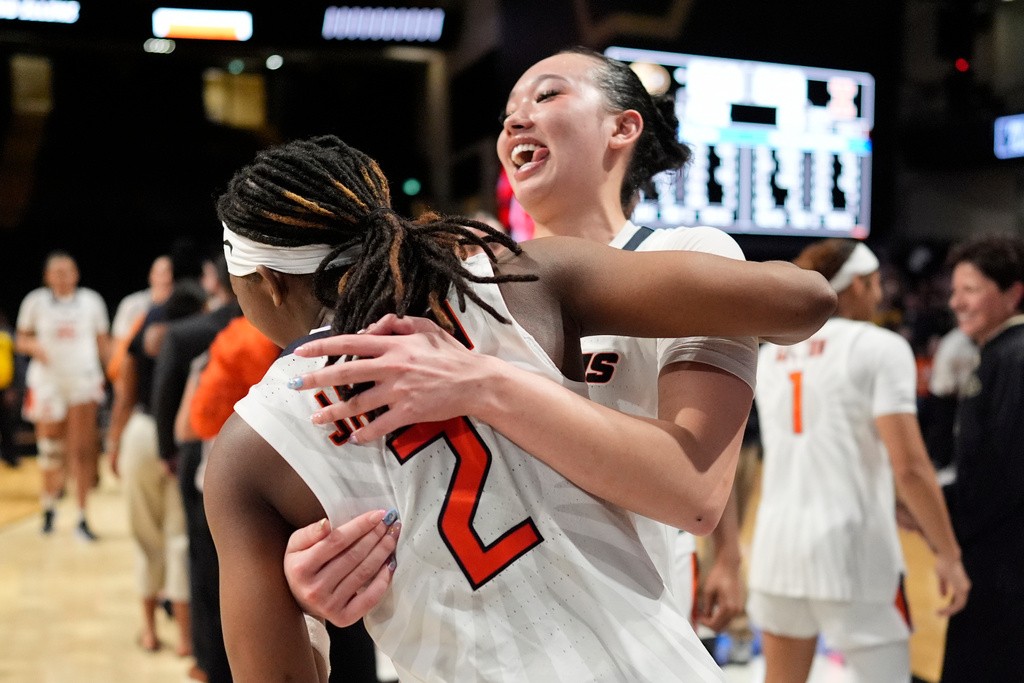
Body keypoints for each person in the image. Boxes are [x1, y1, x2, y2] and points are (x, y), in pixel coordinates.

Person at [204, 134, 835, 683]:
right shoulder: (518, 276)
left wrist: (306, 615)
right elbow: (805, 298)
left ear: (265, 280)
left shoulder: (248, 452)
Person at [283, 46, 756, 639]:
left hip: (616, 635)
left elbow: (695, 491)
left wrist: (483, 384)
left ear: (623, 126)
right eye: (509, 110)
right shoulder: (454, 276)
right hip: (459, 632)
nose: (514, 120)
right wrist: (330, 559)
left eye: (547, 95)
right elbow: (396, 466)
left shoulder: (689, 258)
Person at [748, 239, 970, 683]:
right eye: (873, 286)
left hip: (777, 549)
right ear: (852, 287)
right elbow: (909, 464)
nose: (879, 296)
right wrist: (947, 552)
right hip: (856, 553)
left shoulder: (771, 354)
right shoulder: (879, 346)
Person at [106, 276, 208, 657]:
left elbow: (124, 394)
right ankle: (185, 640)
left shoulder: (146, 326)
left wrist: (113, 442)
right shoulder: (205, 332)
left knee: (145, 540)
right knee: (180, 541)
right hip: (186, 440)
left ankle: (149, 631)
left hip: (142, 432)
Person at [939, 234, 1024, 683]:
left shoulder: (1015, 356)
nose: (956, 302)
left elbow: (1007, 475)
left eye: (969, 290)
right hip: (989, 553)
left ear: (1013, 292)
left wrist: (943, 518)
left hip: (1004, 564)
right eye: (954, 291)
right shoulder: (993, 353)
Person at [16, 251, 111, 539]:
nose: (62, 276)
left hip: (82, 380)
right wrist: (35, 347)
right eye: (56, 271)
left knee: (81, 450)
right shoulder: (35, 302)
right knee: (50, 451)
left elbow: (103, 344)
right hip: (48, 381)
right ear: (47, 276)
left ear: (77, 274)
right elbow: (20, 339)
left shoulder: (91, 301)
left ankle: (81, 516)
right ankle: (49, 505)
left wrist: (115, 375)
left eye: (67, 270)